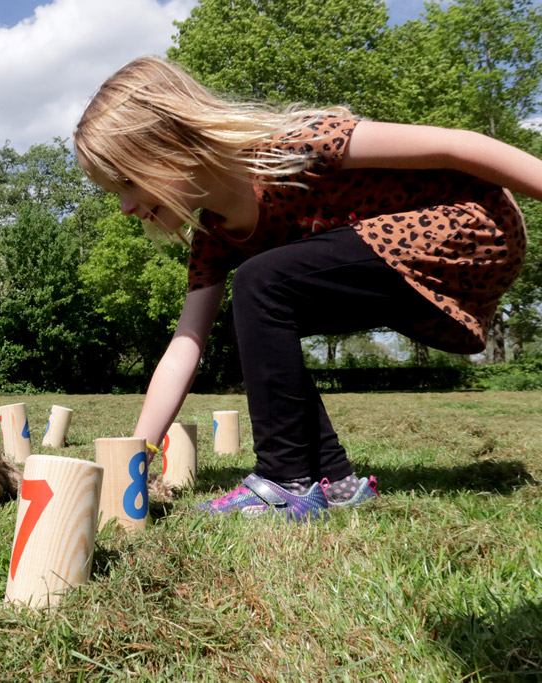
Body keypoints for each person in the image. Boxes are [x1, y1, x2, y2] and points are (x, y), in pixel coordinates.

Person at [73, 56, 538, 520]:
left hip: (472, 226)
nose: (125, 207)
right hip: (407, 270)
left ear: (170, 145)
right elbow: (184, 347)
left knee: (260, 283)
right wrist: (139, 452)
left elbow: (459, 146)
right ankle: (335, 481)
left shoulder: (295, 145)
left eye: (128, 182)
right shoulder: (215, 240)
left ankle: (284, 480)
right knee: (252, 316)